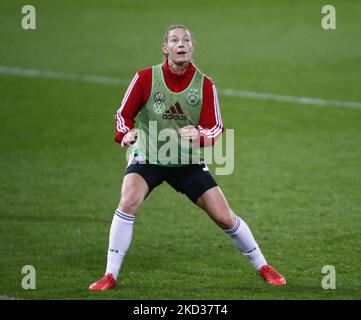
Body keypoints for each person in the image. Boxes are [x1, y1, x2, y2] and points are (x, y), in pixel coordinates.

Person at [89, 25, 286, 291]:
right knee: (128, 202)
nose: (181, 44)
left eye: (186, 40)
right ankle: (110, 275)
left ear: (192, 48)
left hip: (186, 161)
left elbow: (215, 127)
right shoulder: (145, 78)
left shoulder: (205, 85)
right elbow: (123, 115)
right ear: (165, 48)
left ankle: (263, 265)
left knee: (225, 218)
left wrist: (200, 135)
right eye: (174, 40)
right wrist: (124, 134)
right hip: (148, 156)